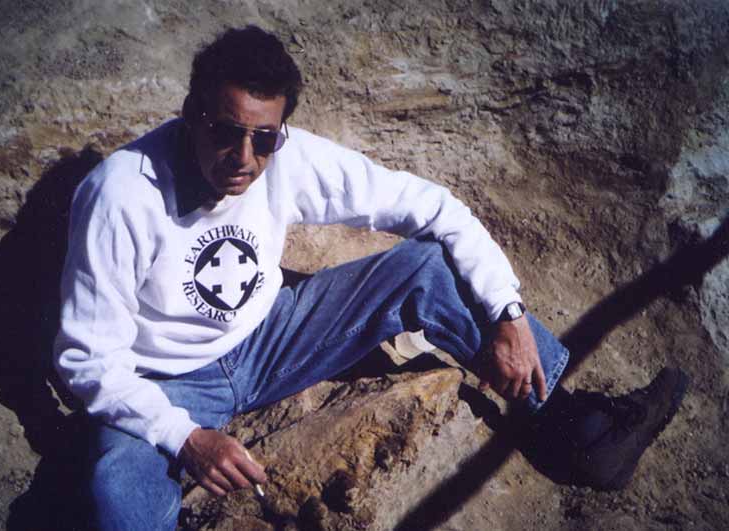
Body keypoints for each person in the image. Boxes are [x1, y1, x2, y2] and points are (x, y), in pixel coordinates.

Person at [54, 25, 688, 530]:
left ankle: (579, 432)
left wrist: (508, 313)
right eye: (225, 133)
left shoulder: (284, 156)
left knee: (426, 266)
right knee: (116, 488)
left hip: (269, 335)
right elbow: (88, 360)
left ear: (281, 130)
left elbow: (436, 209)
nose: (244, 160)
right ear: (191, 114)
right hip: (167, 381)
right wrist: (185, 437)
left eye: (264, 138)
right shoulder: (120, 196)